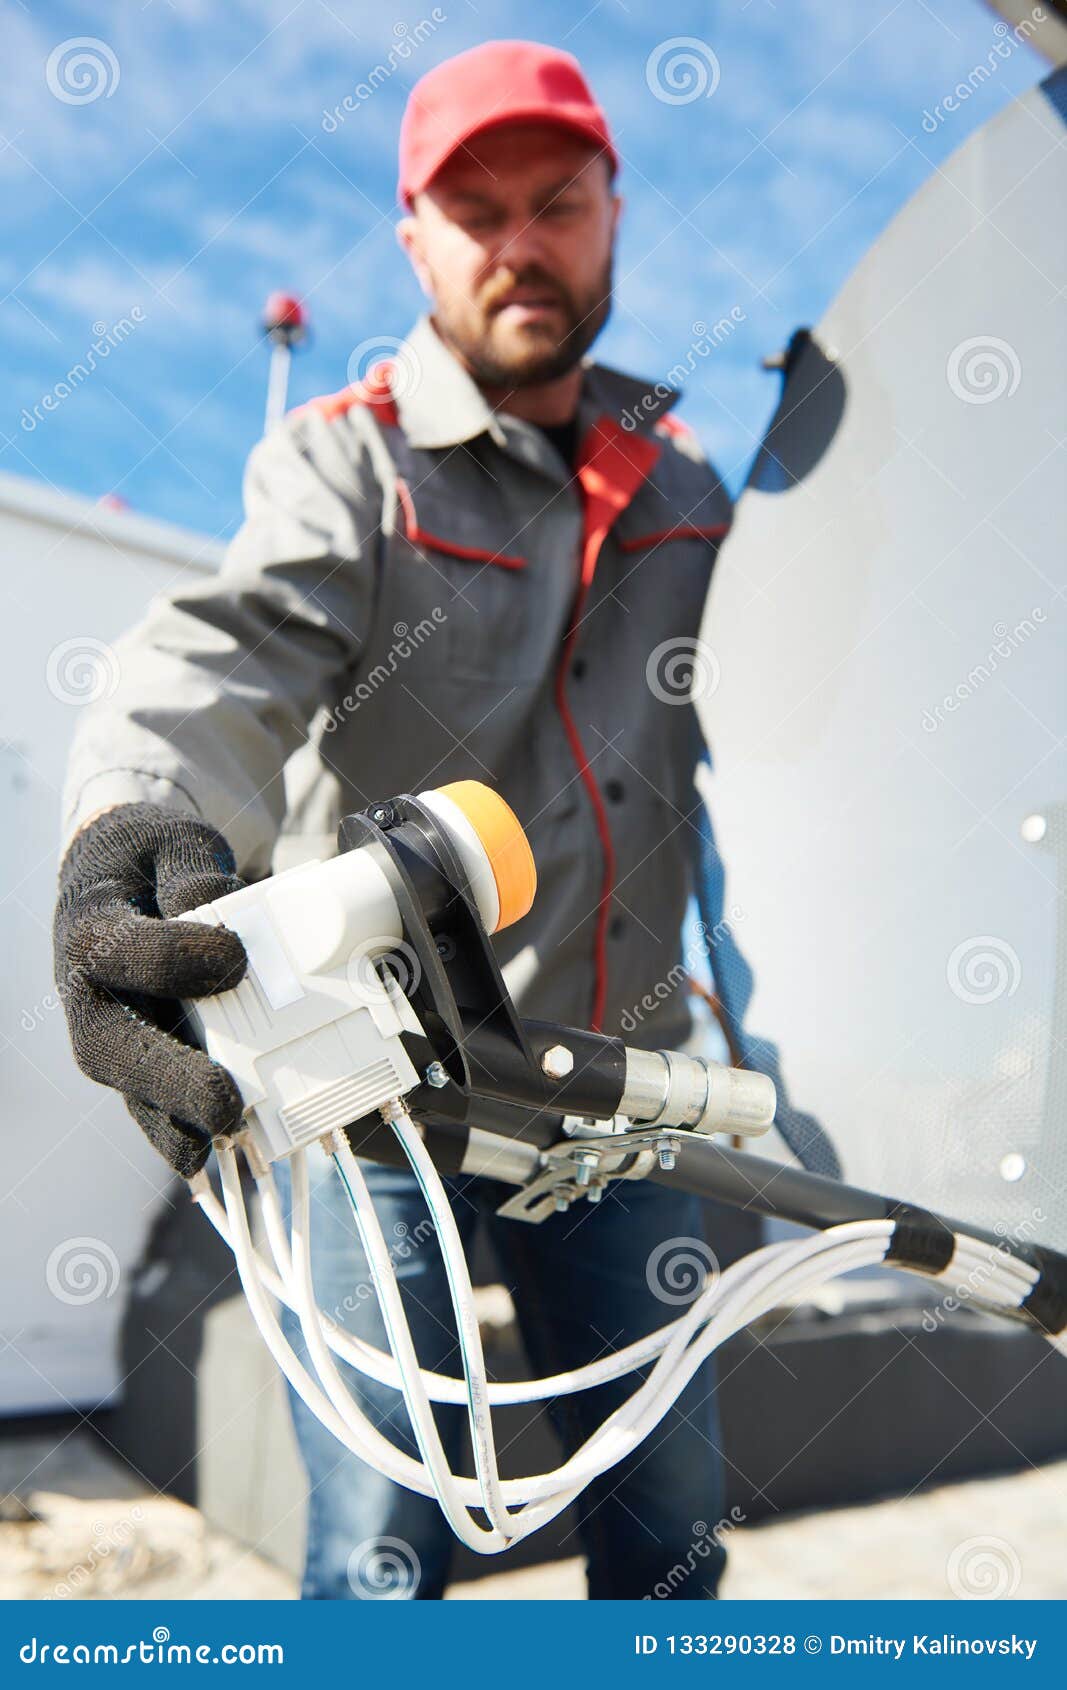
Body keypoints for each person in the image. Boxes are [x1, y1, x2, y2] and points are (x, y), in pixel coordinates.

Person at [53, 39, 734, 1599]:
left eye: (557, 203)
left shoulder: (694, 493)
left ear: (615, 214)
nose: (519, 245)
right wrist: (125, 834)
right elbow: (219, 661)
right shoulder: (344, 462)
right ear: (415, 242)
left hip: (621, 1093)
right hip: (375, 1102)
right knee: (381, 1543)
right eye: (475, 212)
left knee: (675, 1530)